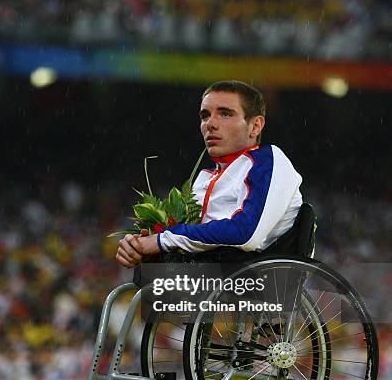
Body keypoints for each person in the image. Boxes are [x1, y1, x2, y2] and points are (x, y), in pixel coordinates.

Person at [116, 80, 302, 268]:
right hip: (210, 283)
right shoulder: (205, 178)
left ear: (255, 126)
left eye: (225, 114)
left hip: (254, 287)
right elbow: (192, 240)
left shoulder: (268, 160)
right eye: (205, 116)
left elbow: (245, 234)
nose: (210, 124)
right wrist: (139, 247)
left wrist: (162, 240)